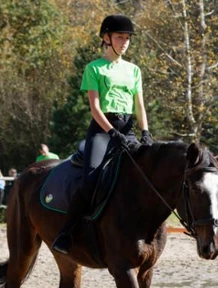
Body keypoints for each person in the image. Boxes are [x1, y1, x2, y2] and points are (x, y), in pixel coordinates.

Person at [52, 14, 153, 255]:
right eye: (120, 37)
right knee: (91, 179)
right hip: (102, 130)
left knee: (146, 175)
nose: (125, 42)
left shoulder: (134, 70)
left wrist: (146, 131)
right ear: (106, 38)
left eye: (127, 38)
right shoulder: (94, 68)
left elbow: (139, 105)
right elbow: (95, 108)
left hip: (128, 129)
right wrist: (111, 131)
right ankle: (67, 232)